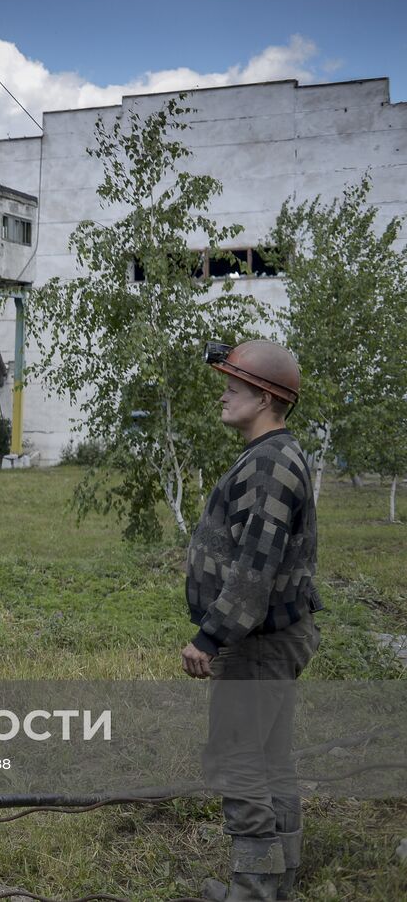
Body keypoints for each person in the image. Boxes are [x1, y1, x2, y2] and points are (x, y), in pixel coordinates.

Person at [182, 340, 322, 902]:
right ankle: (278, 879)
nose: (223, 395)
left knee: (239, 764)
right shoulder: (278, 454)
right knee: (271, 760)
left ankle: (256, 891)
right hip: (274, 637)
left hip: (256, 641)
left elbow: (254, 568)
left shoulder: (268, 463)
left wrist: (210, 635)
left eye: (233, 388)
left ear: (264, 398)